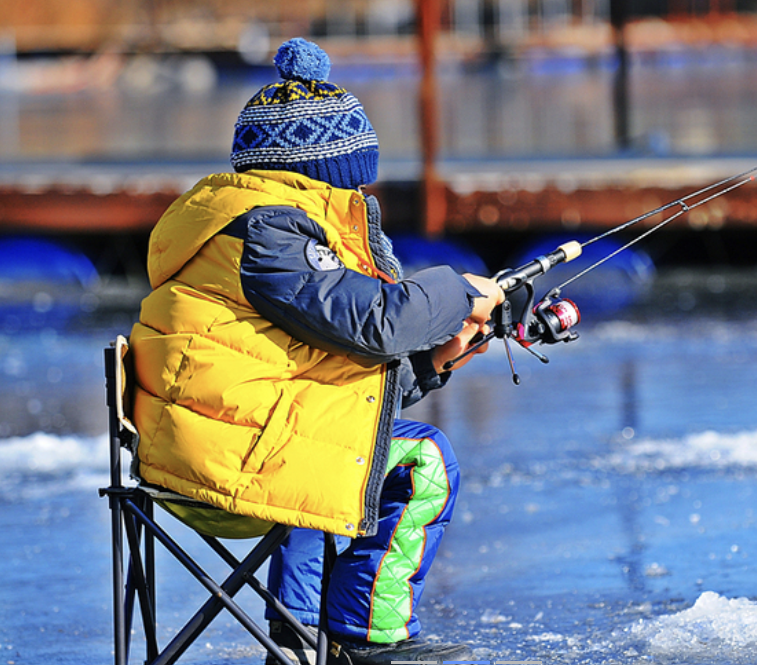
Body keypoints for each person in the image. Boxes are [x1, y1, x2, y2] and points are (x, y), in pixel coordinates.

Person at [129, 37, 505, 664]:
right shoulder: (270, 230)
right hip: (221, 457)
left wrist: (436, 360)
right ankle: (366, 640)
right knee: (424, 464)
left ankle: (304, 634)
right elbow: (376, 322)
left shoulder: (239, 222)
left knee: (341, 447)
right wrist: (459, 291)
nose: (362, 192)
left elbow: (333, 381)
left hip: (223, 437)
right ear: (326, 169)